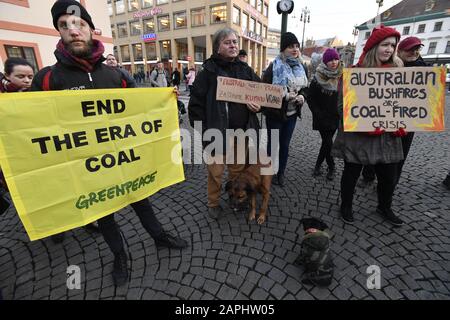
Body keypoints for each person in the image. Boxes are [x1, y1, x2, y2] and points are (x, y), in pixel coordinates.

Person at [30, 0, 188, 286]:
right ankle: (120, 255)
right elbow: (32, 128)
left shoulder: (115, 75)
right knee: (104, 215)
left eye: (79, 23)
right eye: (64, 25)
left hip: (125, 160)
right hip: (87, 169)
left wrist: (165, 100)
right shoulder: (48, 78)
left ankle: (159, 236)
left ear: (91, 29)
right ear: (59, 33)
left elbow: (141, 108)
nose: (73, 30)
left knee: (141, 200)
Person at [332, 25, 405, 227]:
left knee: (388, 177)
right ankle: (346, 205)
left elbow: (406, 104)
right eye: (385, 44)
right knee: (351, 174)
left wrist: (401, 120)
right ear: (374, 47)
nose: (389, 49)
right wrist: (365, 120)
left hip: (387, 136)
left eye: (393, 45)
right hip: (359, 137)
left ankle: (384, 206)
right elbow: (341, 107)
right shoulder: (355, 73)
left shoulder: (399, 74)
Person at [188, 27, 261, 219]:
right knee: (216, 172)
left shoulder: (245, 70)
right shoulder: (208, 73)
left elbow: (261, 93)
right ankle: (213, 203)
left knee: (237, 170)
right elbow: (195, 106)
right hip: (216, 134)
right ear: (217, 47)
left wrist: (258, 106)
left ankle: (234, 196)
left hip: (241, 133)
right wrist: (203, 132)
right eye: (228, 42)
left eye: (235, 42)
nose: (233, 45)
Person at [262, 32, 308, 187]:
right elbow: (265, 91)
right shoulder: (273, 67)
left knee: (285, 145)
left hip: (292, 114)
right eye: (290, 46)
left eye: (296, 46)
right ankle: (268, 173)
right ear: (283, 49)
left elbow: (304, 89)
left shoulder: (301, 67)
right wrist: (284, 96)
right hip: (275, 114)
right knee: (272, 145)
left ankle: (280, 173)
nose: (294, 49)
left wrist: (302, 97)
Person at [395, 36, 428, 185]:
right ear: (400, 51)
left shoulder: (425, 71)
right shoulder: (390, 66)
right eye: (410, 49)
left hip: (408, 122)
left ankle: (390, 187)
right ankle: (369, 174)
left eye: (417, 49)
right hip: (384, 117)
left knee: (401, 155)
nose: (414, 52)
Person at [307, 48, 342, 181]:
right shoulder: (317, 77)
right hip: (321, 117)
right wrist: (317, 112)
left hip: (335, 117)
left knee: (326, 143)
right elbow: (310, 98)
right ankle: (332, 167)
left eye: (335, 59)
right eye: (330, 60)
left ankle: (317, 165)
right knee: (328, 142)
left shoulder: (342, 76)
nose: (333, 62)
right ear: (325, 62)